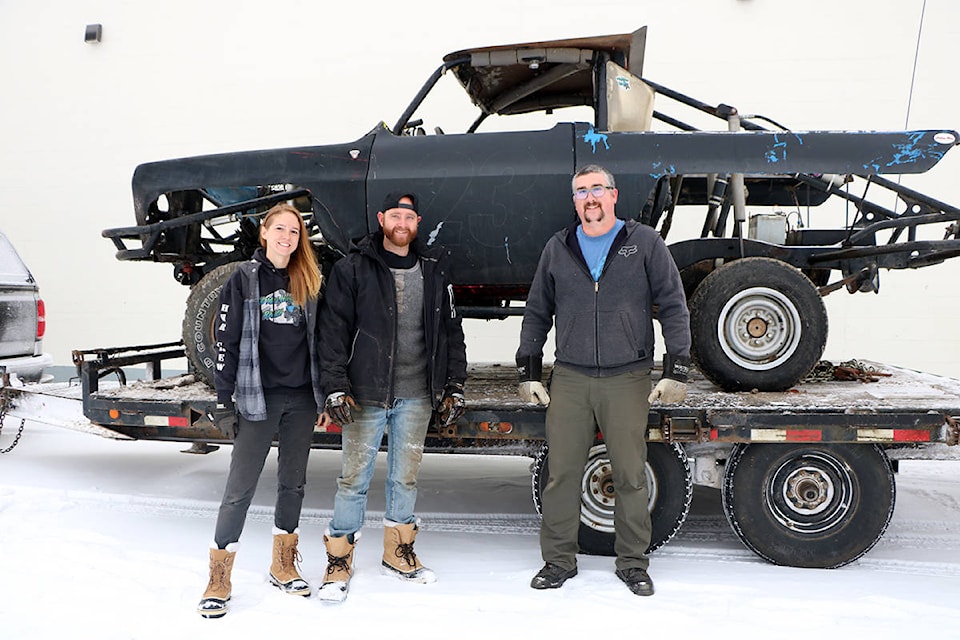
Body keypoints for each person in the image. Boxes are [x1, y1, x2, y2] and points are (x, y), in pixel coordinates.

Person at [516, 164, 691, 597]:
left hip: (627, 377)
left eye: (598, 189)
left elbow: (672, 304)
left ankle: (633, 563)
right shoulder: (558, 247)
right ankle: (558, 561)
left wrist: (677, 369)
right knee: (561, 474)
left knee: (631, 474)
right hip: (571, 377)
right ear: (574, 201)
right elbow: (537, 309)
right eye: (581, 192)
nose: (590, 198)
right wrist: (529, 371)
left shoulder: (645, 243)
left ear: (614, 195)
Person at [316, 191, 467, 603]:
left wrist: (454, 386)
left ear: (417, 223)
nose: (402, 223)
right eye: (395, 216)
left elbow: (452, 333)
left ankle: (398, 552)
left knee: (405, 476)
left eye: (410, 217)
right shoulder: (353, 269)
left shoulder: (435, 271)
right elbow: (332, 332)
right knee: (353, 481)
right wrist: (335, 386)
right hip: (365, 395)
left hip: (417, 394)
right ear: (382, 218)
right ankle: (339, 560)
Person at [197, 202, 326, 619]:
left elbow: (322, 343)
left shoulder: (308, 279)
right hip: (257, 398)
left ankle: (282, 564)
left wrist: (325, 397)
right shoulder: (244, 279)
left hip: (302, 399)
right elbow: (226, 341)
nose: (288, 237)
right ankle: (219, 577)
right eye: (281, 229)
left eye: (295, 232)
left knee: (294, 484)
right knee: (239, 490)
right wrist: (223, 399)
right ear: (265, 233)